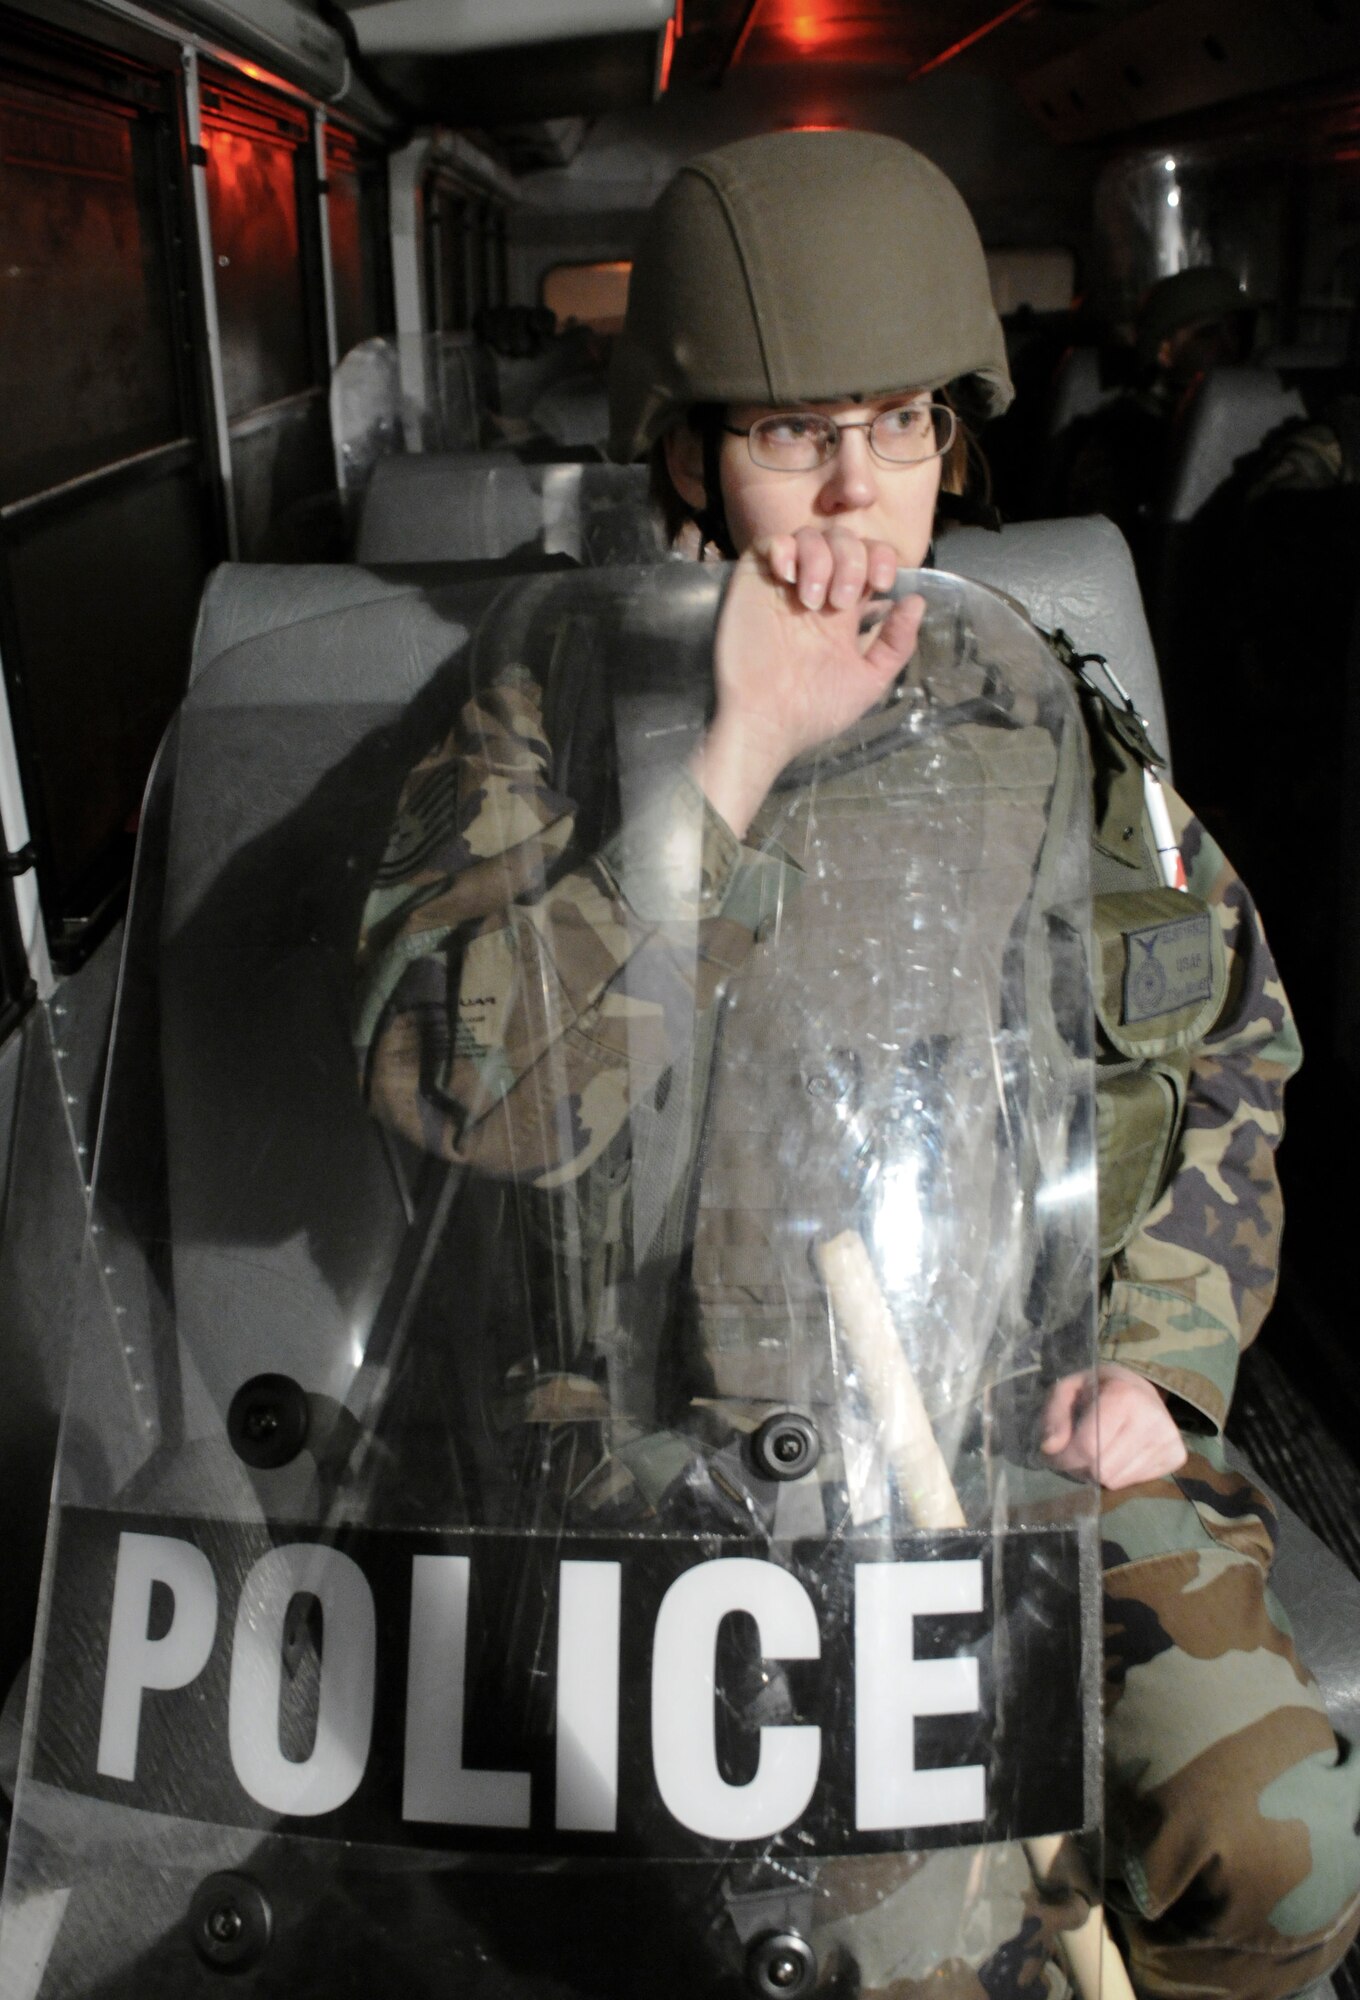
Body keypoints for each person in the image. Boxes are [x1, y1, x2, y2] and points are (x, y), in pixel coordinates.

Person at [354, 133, 1359, 1998]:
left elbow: (1226, 1032)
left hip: (1009, 1406)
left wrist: (1160, 1368)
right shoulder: (548, 700)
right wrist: (724, 772)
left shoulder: (1033, 707)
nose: (851, 496)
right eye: (790, 433)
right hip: (654, 1458)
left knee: (1274, 1855)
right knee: (861, 1937)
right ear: (683, 451)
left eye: (897, 427)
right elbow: (456, 1088)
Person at [1049, 264, 1251, 551]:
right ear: (1164, 351)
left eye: (1237, 330)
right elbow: (1100, 548)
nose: (1229, 346)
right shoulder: (1123, 437)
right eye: (1208, 334)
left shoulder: (1254, 418)